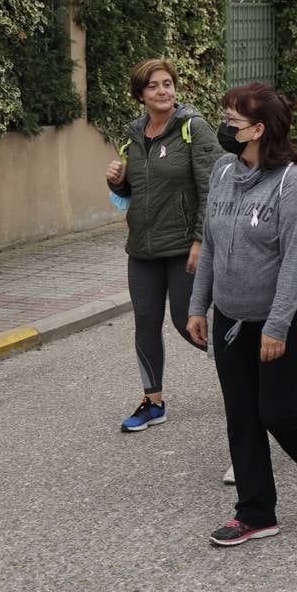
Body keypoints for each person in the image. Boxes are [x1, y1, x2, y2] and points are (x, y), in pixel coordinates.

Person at [185, 83, 297, 547]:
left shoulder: (294, 182)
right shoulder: (222, 171)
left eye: (233, 122)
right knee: (241, 414)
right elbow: (210, 244)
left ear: (258, 129)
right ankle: (255, 513)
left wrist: (276, 327)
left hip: (287, 315)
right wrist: (199, 306)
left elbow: (296, 261)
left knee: (275, 409)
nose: (225, 128)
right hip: (231, 315)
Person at [108, 59, 222, 431]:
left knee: (187, 322)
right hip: (142, 247)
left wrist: (201, 239)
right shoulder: (133, 133)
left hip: (183, 245)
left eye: (168, 84)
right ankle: (152, 402)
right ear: (140, 94)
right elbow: (134, 190)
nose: (163, 91)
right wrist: (117, 182)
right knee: (145, 322)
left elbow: (212, 187)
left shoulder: (193, 129)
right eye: (154, 86)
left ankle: (254, 372)